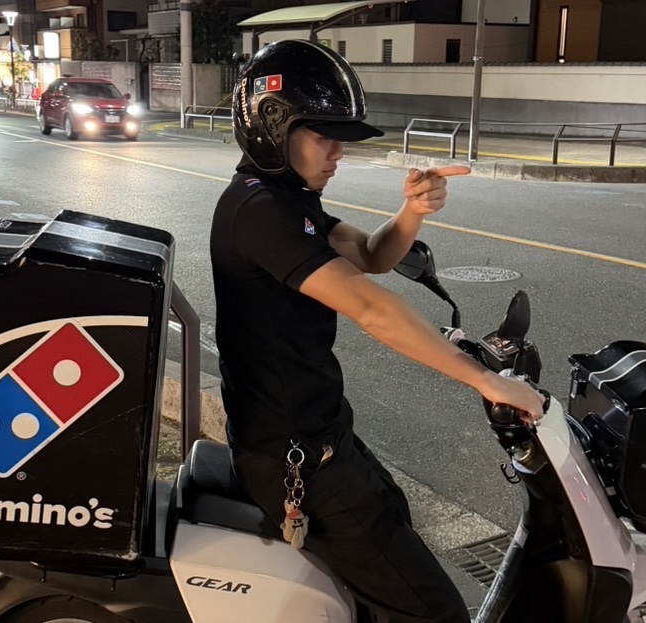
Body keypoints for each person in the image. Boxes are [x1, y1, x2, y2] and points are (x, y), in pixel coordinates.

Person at [210, 40, 546, 622]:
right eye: (324, 135)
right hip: (295, 459)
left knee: (390, 553)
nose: (338, 151)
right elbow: (372, 308)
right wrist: (487, 382)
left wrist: (413, 210)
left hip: (321, 438)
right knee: (434, 612)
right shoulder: (260, 211)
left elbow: (370, 254)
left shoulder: (289, 200)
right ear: (273, 127)